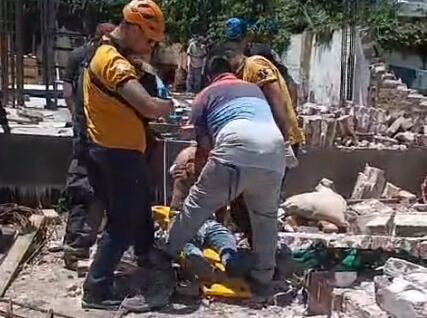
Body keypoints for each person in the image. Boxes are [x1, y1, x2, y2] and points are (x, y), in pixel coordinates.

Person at [148, 56, 287, 304]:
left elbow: (204, 149)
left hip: (235, 146)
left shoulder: (205, 96)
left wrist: (201, 180)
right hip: (275, 150)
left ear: (209, 76)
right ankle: (263, 278)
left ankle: (165, 254)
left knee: (195, 208)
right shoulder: (252, 89)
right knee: (265, 219)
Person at [80, 0, 173, 310]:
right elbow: (147, 105)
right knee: (121, 222)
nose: (150, 47)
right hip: (117, 152)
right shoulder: (113, 62)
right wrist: (166, 106)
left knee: (137, 208)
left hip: (115, 148)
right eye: (148, 40)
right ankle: (97, 289)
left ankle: (144, 254)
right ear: (131, 27)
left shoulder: (113, 55)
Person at [62, 23, 115, 271]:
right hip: (88, 136)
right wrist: (79, 122)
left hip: (99, 136)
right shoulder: (84, 59)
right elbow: (69, 93)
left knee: (97, 191)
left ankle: (82, 246)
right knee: (85, 190)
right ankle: (75, 249)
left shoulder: (103, 59)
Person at [224, 17, 299, 109]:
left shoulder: (262, 52)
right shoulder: (225, 58)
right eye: (231, 41)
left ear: (247, 37)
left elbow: (286, 78)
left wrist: (291, 108)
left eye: (238, 41)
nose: (235, 45)